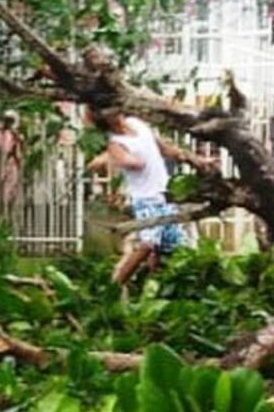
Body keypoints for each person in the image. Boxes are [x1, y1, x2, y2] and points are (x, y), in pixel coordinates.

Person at [87, 109, 216, 285]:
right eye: (109, 113)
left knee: (173, 247)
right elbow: (130, 162)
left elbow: (164, 148)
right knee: (148, 244)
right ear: (105, 120)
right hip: (145, 199)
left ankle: (151, 289)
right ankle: (114, 287)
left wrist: (195, 160)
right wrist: (121, 159)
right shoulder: (115, 144)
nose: (116, 114)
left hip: (165, 195)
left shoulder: (137, 123)